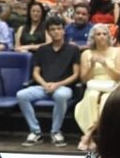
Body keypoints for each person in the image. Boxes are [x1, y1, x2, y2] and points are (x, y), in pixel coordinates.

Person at [15, 16, 80, 147]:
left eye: (59, 28)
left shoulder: (73, 49)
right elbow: (35, 73)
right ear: (48, 32)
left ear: (64, 30)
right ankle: (35, 131)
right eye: (52, 29)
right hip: (44, 86)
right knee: (21, 95)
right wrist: (45, 84)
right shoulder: (42, 49)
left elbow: (76, 74)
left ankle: (55, 132)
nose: (56, 31)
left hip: (63, 87)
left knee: (60, 95)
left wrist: (57, 84)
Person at [74, 23, 120, 151]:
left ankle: (87, 135)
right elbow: (84, 79)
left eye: (104, 34)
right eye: (98, 34)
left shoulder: (117, 52)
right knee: (91, 96)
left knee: (105, 101)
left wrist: (106, 65)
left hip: (112, 85)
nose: (101, 37)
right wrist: (91, 65)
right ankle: (92, 137)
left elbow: (118, 76)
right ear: (93, 37)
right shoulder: (86, 54)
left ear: (109, 36)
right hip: (94, 85)